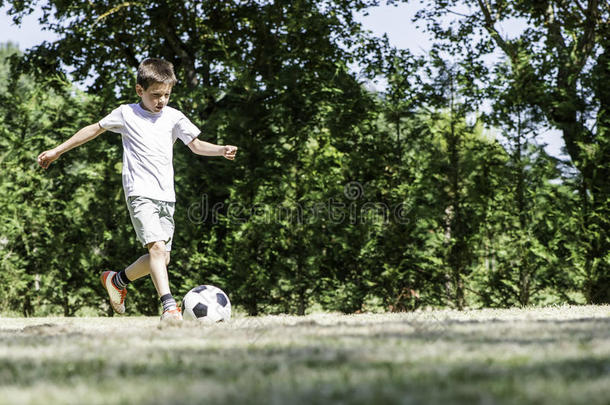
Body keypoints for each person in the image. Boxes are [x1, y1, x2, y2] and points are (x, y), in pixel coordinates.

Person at [37, 58, 238, 321]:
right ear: (139, 90)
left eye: (166, 94)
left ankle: (117, 280)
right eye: (156, 95)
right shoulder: (126, 113)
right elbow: (92, 130)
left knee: (162, 258)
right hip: (140, 192)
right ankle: (169, 308)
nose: (161, 100)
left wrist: (220, 150)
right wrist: (57, 151)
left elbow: (196, 145)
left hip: (167, 196)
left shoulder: (174, 117)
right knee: (156, 249)